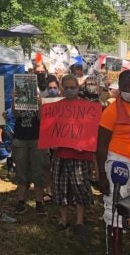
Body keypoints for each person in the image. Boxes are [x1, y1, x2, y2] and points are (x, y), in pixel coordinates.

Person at [96, 70, 130, 246]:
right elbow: (101, 145)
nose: (129, 90)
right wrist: (102, 176)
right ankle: (115, 246)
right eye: (125, 87)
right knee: (116, 205)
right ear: (119, 88)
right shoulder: (111, 111)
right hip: (118, 161)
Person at [51, 74, 95, 237]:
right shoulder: (56, 107)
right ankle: (63, 219)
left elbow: (91, 132)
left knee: (80, 188)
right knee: (60, 187)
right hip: (60, 154)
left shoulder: (87, 107)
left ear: (78, 88)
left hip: (80, 156)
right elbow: (50, 129)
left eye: (73, 87)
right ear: (62, 88)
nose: (70, 90)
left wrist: (84, 146)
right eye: (67, 87)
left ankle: (79, 221)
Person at [11, 82, 46, 215]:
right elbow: (15, 114)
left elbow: (41, 119)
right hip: (20, 139)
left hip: (36, 139)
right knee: (21, 171)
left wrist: (40, 105)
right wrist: (14, 100)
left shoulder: (39, 100)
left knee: (38, 172)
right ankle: (21, 202)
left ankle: (39, 202)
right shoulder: (18, 99)